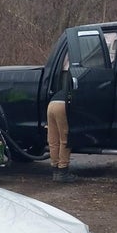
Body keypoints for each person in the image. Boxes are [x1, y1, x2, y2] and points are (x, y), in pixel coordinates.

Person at [47, 55, 76, 183]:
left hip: (51, 105)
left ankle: (55, 170)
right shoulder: (74, 89)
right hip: (62, 105)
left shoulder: (62, 87)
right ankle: (63, 171)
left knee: (53, 140)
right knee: (65, 139)